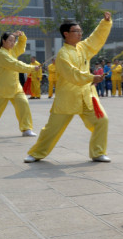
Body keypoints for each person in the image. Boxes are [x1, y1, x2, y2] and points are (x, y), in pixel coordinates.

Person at [24, 12, 113, 163]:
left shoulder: (83, 47)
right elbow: (72, 74)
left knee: (102, 120)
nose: (80, 34)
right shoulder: (62, 54)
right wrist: (92, 77)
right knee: (52, 129)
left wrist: (105, 23)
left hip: (86, 96)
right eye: (76, 31)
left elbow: (96, 37)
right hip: (67, 98)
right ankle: (36, 153)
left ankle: (98, 152)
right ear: (66, 34)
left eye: (80, 31)